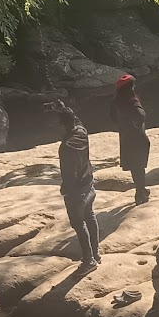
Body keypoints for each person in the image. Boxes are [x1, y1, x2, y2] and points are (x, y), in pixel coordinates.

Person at [48, 102, 100, 269]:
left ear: (62, 125)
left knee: (79, 224)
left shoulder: (66, 147)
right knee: (90, 216)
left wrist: (67, 192)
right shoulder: (82, 133)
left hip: (77, 191)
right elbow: (77, 121)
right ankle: (96, 253)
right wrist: (63, 108)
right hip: (89, 183)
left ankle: (88, 260)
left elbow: (70, 174)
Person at [110, 74, 150, 202]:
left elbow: (113, 118)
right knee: (139, 165)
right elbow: (141, 115)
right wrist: (136, 124)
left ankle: (141, 189)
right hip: (137, 136)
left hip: (126, 137)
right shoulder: (132, 100)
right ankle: (140, 193)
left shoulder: (116, 101)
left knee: (134, 165)